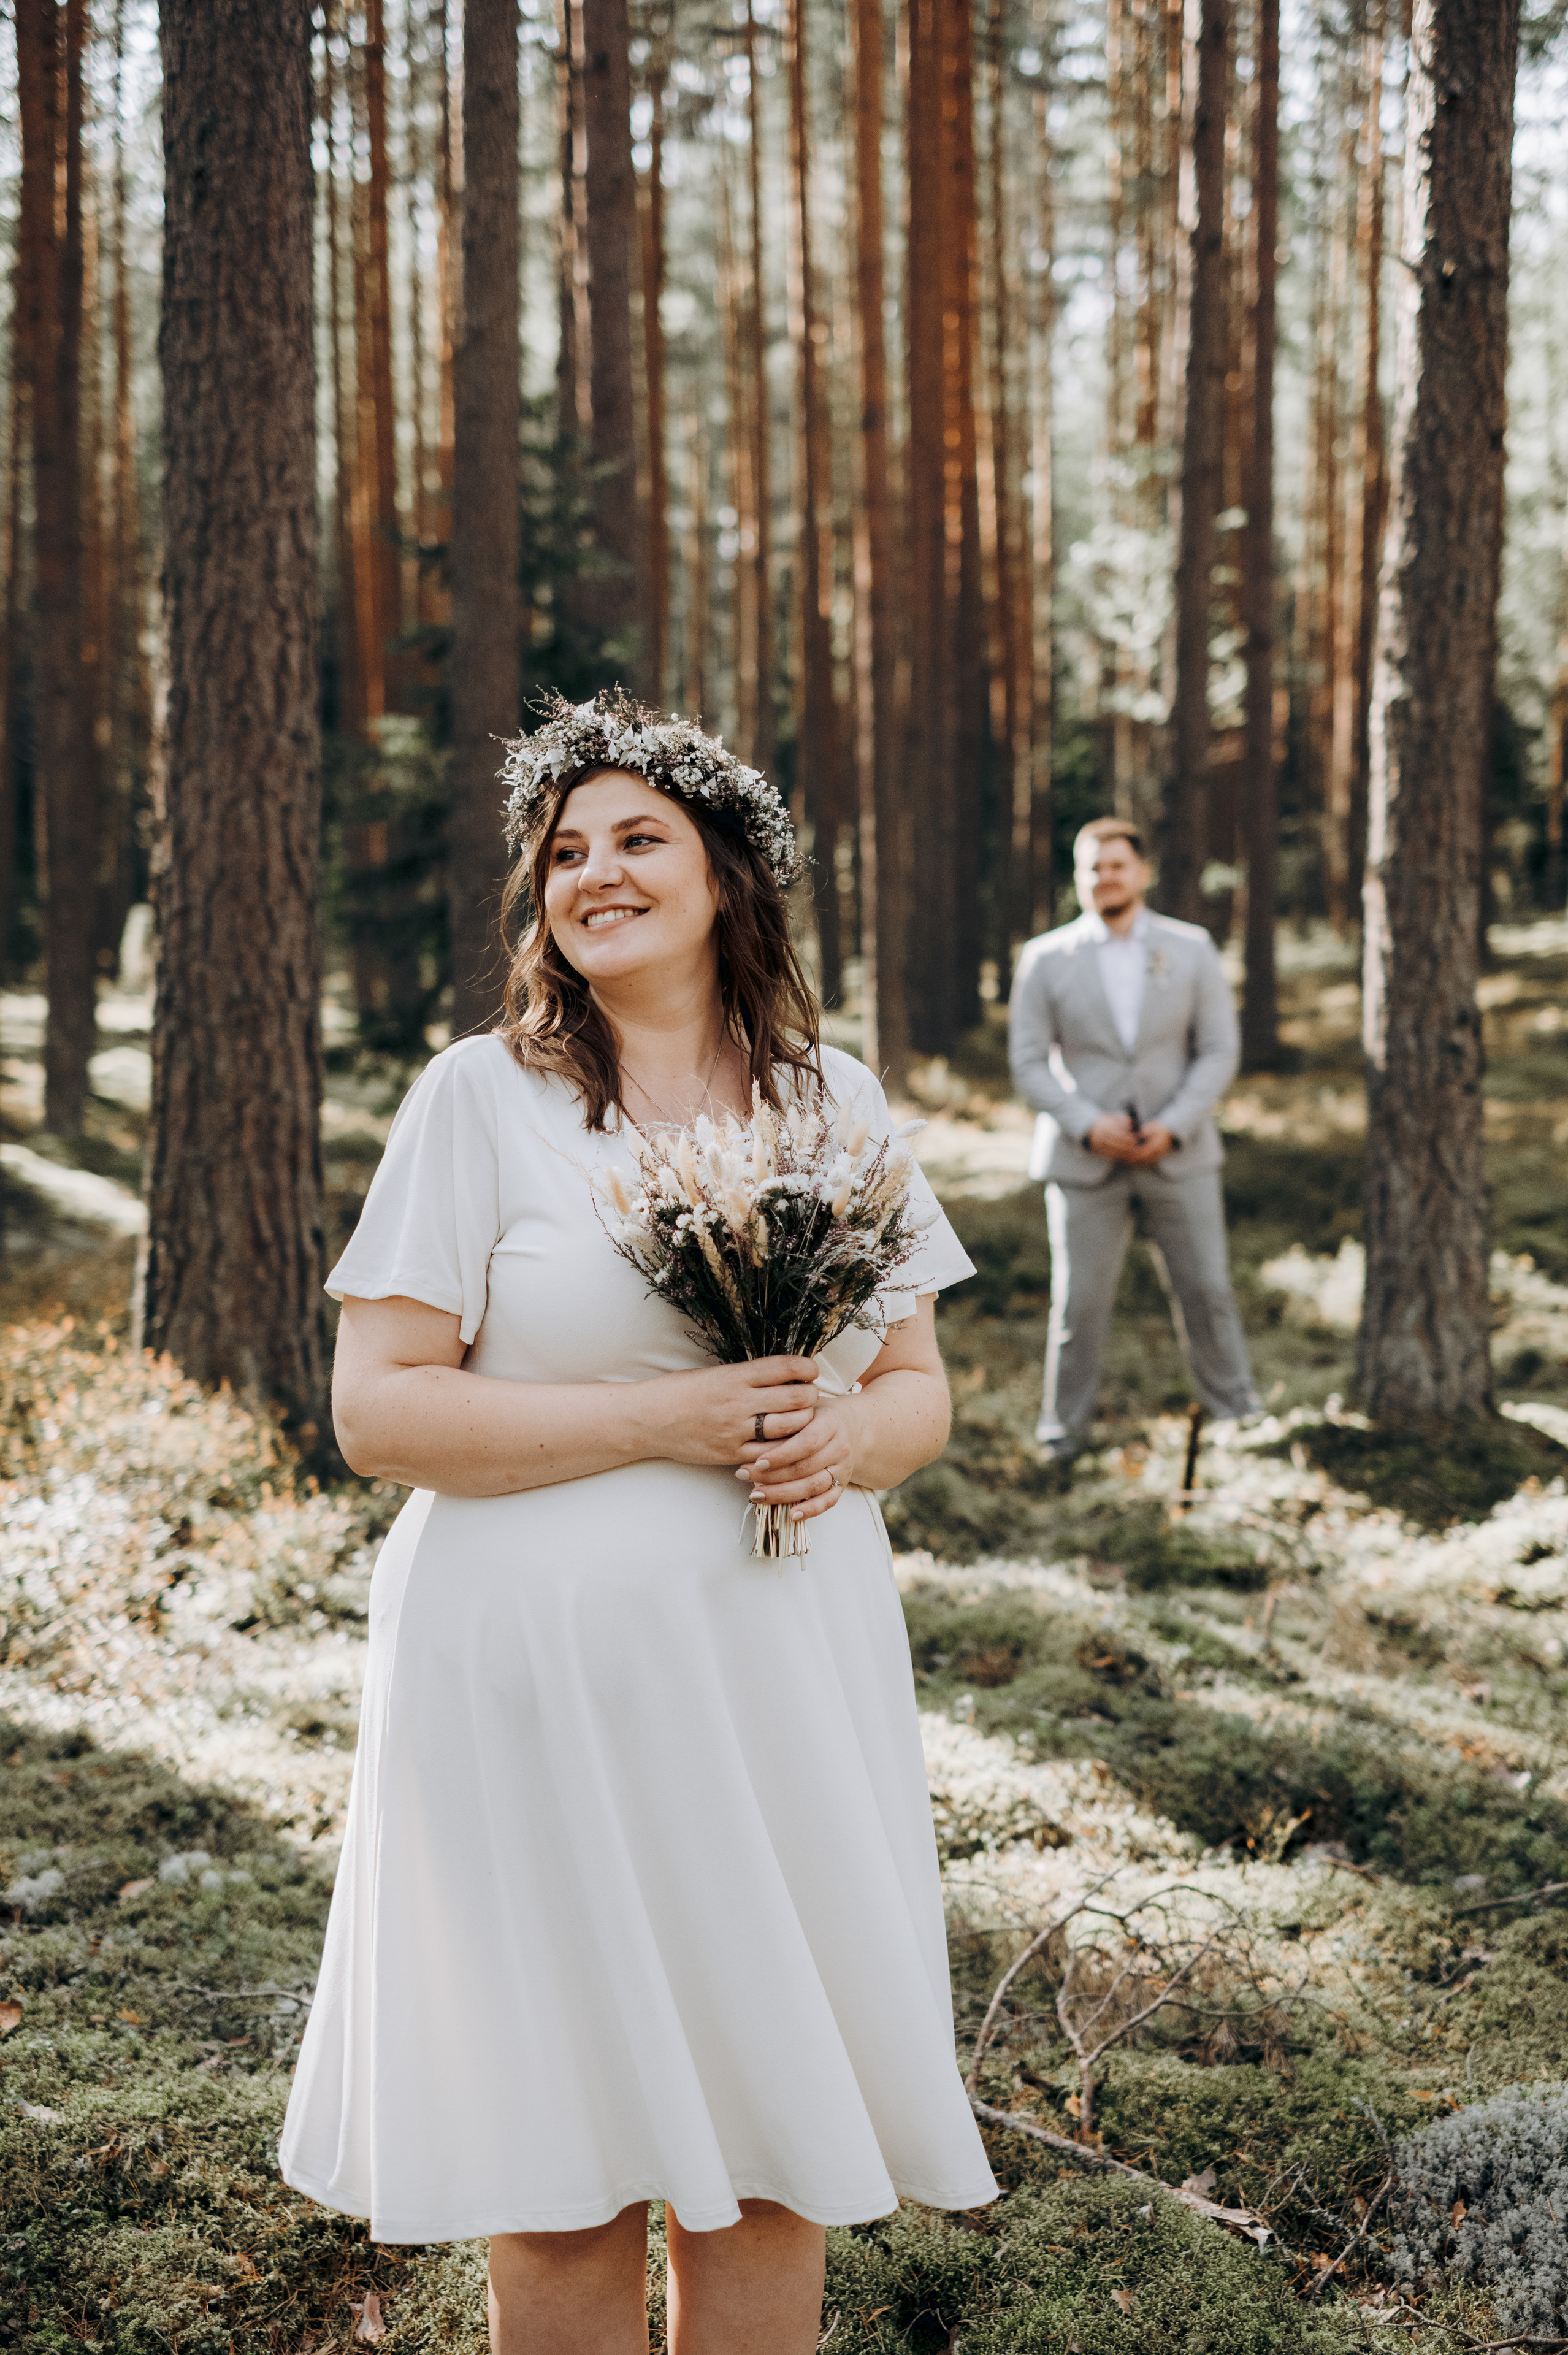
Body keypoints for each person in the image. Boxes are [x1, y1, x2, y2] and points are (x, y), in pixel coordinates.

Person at [278, 689, 996, 2355]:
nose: (593, 872)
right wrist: (660, 1421)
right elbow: (378, 1409)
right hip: (527, 1699)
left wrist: (845, 1440)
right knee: (559, 2178)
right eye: (563, 853)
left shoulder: (836, 1103)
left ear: (730, 872)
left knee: (767, 2173)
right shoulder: (481, 1101)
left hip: (775, 1685)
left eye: (638, 839)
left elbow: (918, 1391)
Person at [1006, 815, 1260, 1460]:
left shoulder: (1193, 948)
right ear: (1077, 877)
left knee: (1207, 1290)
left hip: (1180, 1153)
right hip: (1083, 1158)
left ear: (1141, 872)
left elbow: (1218, 1050)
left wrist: (1174, 1126)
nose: (1104, 878)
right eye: (1092, 867)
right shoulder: (1044, 957)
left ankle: (1238, 1416)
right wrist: (1087, 1124)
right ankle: (1061, 1435)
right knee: (1079, 1305)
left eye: (1116, 865)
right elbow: (1029, 1061)